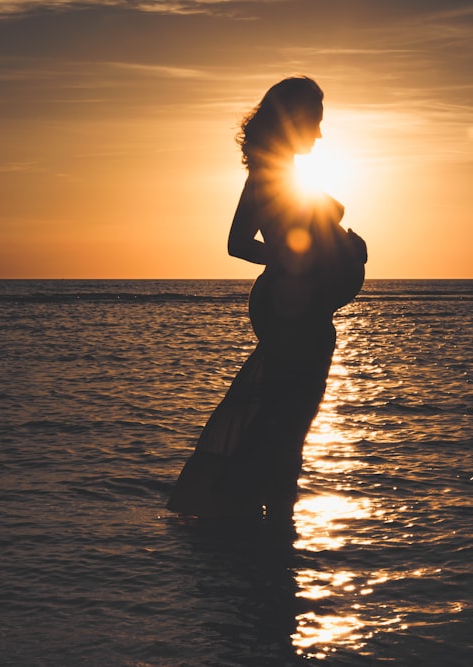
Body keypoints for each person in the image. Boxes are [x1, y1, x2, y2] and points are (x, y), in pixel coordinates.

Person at [167, 75, 367, 521]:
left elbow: (248, 242)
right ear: (293, 120)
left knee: (285, 415)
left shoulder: (278, 172)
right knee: (289, 419)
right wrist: (291, 262)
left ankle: (259, 521)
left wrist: (333, 253)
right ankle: (263, 520)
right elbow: (241, 244)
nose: (319, 132)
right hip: (291, 309)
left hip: (296, 306)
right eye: (314, 120)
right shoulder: (270, 174)